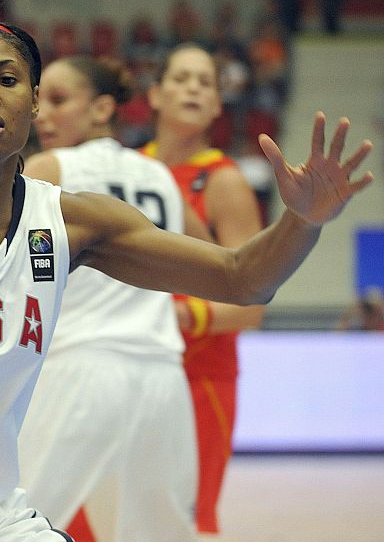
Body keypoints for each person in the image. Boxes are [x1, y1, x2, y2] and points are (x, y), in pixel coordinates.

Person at [0, 16, 373, 542]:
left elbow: (244, 278)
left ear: (36, 102)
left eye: (7, 79)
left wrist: (304, 220)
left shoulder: (74, 219)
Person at [15, 54, 198, 541]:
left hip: (79, 368)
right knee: (160, 533)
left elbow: (14, 273)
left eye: (57, 100)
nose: (41, 115)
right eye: (38, 102)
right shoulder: (160, 175)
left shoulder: (49, 166)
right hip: (162, 376)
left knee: (11, 520)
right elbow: (202, 251)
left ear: (100, 109)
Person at [139, 41, 266, 535]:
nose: (193, 88)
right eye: (181, 78)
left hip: (199, 376)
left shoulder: (225, 181)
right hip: (131, 368)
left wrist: (179, 317)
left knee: (189, 517)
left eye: (205, 82)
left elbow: (251, 305)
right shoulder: (127, 170)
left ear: (217, 104)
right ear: (155, 94)